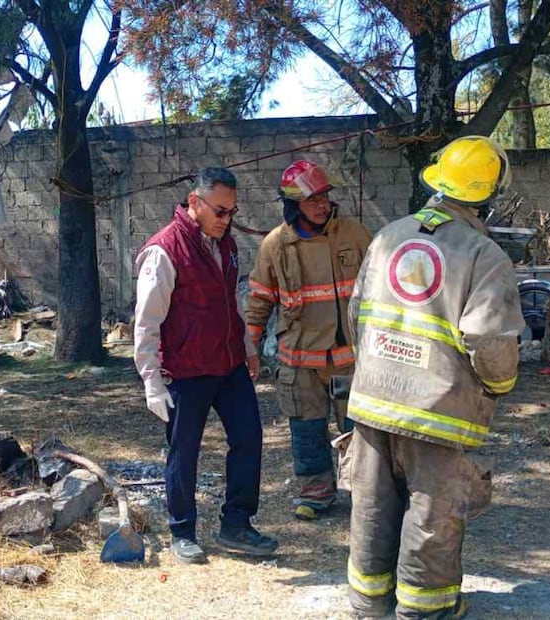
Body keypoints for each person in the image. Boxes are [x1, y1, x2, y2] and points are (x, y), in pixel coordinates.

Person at [344, 136, 525, 619]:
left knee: (372, 505)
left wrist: (373, 371)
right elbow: (491, 344)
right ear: (488, 195)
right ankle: (425, 610)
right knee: (432, 514)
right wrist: (498, 386)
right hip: (438, 410)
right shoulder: (484, 255)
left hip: (372, 402)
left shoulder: (387, 237)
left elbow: (356, 313)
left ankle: (369, 603)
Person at [133, 166, 278, 564]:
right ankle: (182, 531)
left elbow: (231, 302)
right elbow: (146, 322)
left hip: (229, 365)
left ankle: (236, 524)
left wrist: (248, 348)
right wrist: (151, 382)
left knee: (249, 438)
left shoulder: (226, 244)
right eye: (220, 211)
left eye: (232, 212)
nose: (227, 219)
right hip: (186, 370)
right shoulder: (163, 251)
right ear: (194, 203)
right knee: (184, 451)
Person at [245, 161, 372, 521]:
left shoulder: (354, 234)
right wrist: (249, 347)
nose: (321, 205)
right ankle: (316, 492)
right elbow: (258, 301)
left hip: (349, 357)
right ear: (293, 204)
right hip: (300, 359)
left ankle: (366, 493)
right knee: (306, 429)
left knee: (359, 429)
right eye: (312, 199)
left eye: (324, 197)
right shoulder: (275, 245)